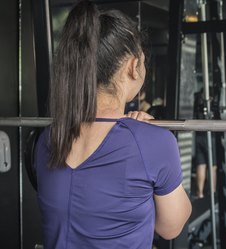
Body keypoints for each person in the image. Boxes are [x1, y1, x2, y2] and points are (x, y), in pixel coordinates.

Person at [33, 1, 191, 249]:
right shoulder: (155, 143)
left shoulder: (48, 139)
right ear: (132, 66)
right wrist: (147, 137)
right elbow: (170, 227)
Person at [193, 88, 217, 199]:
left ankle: (200, 193)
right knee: (212, 167)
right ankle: (212, 193)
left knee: (201, 165)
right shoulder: (211, 105)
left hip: (198, 135)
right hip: (209, 136)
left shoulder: (197, 103)